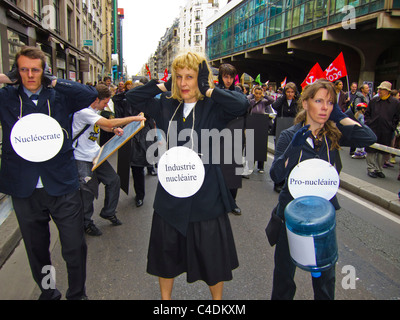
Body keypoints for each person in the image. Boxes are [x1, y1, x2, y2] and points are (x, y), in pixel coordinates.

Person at [126, 51, 249, 300]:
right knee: (166, 253)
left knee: (212, 257)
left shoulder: (214, 107)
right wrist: (163, 84)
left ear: (201, 78)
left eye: (190, 77)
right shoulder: (166, 105)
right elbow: (132, 97)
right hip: (171, 193)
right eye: (179, 76)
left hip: (207, 195)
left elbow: (242, 105)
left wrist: (210, 89)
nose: (183, 83)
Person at [0, 46, 99, 299]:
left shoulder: (59, 96)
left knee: (74, 246)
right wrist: (7, 78)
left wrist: (55, 80)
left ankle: (77, 294)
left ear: (43, 71)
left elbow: (89, 93)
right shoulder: (7, 98)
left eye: (35, 70)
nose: (30, 75)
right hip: (25, 189)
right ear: (16, 71)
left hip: (62, 185)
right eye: (23, 70)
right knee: (37, 250)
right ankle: (49, 292)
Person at [269, 79, 376, 300]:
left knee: (325, 281)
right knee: (284, 280)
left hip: (323, 219)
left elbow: (369, 137)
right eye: (319, 101)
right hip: (291, 218)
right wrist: (293, 148)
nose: (325, 107)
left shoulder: (334, 135)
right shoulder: (290, 134)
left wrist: (339, 116)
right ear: (306, 103)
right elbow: (276, 175)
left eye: (329, 102)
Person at [72, 84, 146, 236]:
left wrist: (113, 130)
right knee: (87, 192)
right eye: (105, 102)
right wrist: (134, 119)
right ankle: (86, 223)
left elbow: (104, 126)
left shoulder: (94, 111)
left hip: (96, 154)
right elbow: (108, 122)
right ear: (95, 99)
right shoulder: (83, 111)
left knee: (113, 180)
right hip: (82, 158)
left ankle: (108, 211)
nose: (106, 105)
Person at [217, 63, 247, 215]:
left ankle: (232, 202)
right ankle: (218, 200)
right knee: (218, 170)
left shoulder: (239, 92)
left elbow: (244, 110)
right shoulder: (215, 92)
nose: (228, 80)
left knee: (234, 170)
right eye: (225, 76)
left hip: (236, 133)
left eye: (230, 77)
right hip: (219, 135)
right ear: (221, 77)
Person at [364, 81, 400, 178]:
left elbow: (397, 117)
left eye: (381, 89)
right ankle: (371, 168)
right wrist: (369, 123)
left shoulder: (395, 103)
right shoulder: (374, 101)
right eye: (379, 89)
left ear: (387, 91)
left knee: (382, 151)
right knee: (371, 149)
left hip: (386, 130)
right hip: (373, 128)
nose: (379, 91)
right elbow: (367, 114)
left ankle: (379, 169)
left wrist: (391, 126)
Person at [271, 82, 299, 192]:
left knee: (292, 156)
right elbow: (274, 106)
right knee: (280, 156)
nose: (290, 94)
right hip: (281, 130)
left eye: (292, 92)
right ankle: (278, 181)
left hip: (293, 130)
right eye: (288, 91)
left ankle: (289, 181)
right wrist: (283, 97)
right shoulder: (282, 101)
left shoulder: (297, 103)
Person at [248, 86, 275, 173]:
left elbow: (272, 100)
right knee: (251, 145)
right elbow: (246, 99)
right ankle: (250, 165)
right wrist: (252, 94)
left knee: (261, 145)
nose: (258, 95)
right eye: (257, 93)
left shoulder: (263, 102)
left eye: (260, 94)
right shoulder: (251, 102)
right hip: (252, 123)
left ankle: (261, 166)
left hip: (261, 124)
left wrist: (265, 95)